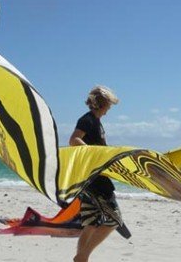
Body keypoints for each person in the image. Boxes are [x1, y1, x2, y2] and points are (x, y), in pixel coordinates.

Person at [69, 86, 122, 262]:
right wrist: (94, 157)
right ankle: (82, 257)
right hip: (97, 182)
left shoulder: (96, 122)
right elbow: (74, 140)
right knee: (114, 220)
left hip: (88, 181)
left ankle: (81, 259)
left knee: (91, 223)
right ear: (102, 103)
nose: (109, 109)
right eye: (109, 105)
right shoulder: (88, 120)